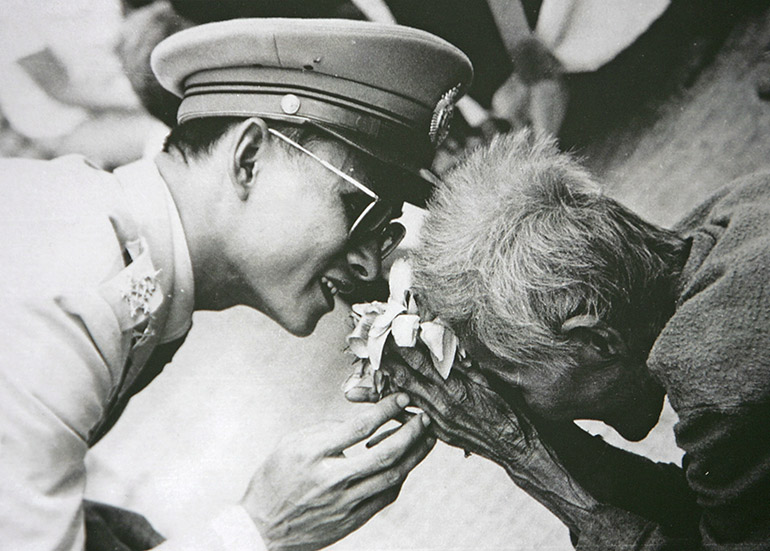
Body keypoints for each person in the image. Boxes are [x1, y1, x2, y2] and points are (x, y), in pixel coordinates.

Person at [0, 18, 473, 551]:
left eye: (384, 230)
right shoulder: (71, 293)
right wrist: (257, 532)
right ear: (249, 159)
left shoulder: (105, 246)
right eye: (357, 206)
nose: (368, 266)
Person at [367, 129, 770, 549]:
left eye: (519, 383)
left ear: (598, 341)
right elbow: (735, 516)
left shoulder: (719, 369)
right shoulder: (734, 211)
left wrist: (523, 458)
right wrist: (551, 444)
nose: (522, 399)